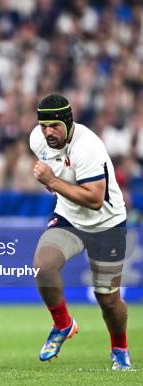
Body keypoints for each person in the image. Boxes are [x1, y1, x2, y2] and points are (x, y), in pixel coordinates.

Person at [30, 94, 131, 370]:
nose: (48, 133)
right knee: (43, 265)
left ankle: (119, 348)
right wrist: (51, 181)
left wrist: (51, 181)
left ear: (68, 122)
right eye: (43, 126)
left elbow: (95, 199)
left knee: (108, 299)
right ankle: (63, 324)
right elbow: (55, 172)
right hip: (69, 219)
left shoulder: (88, 147)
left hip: (106, 224)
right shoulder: (37, 140)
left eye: (54, 126)